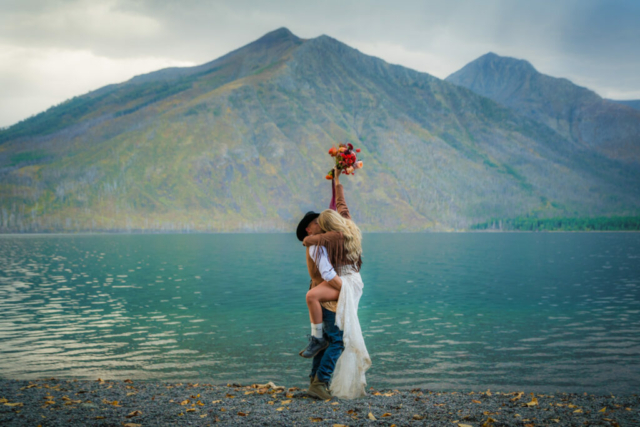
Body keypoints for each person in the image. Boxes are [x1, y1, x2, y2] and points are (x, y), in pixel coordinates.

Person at [295, 167, 371, 399]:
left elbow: (324, 226)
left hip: (338, 289)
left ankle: (316, 382)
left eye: (321, 220)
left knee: (330, 341)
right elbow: (340, 205)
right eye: (316, 221)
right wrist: (337, 183)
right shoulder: (341, 230)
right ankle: (319, 383)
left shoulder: (327, 237)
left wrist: (307, 239)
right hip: (335, 290)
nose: (319, 222)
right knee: (336, 340)